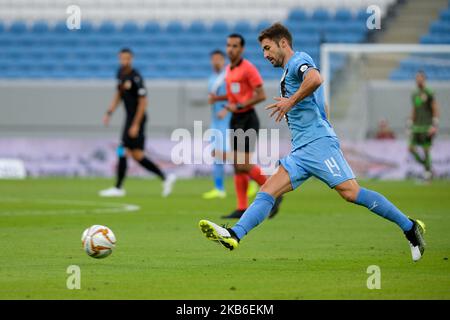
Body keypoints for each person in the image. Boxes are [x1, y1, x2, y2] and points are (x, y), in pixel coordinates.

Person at [198, 23, 426, 262]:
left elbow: (316, 78)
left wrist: (291, 102)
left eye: (267, 48)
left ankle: (410, 228)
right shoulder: (288, 72)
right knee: (268, 191)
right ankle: (234, 234)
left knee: (351, 193)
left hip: (318, 145)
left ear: (282, 43)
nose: (265, 55)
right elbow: (321, 102)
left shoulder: (299, 60)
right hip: (301, 150)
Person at [220, 33, 282, 219]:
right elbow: (235, 96)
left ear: (242, 49)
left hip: (247, 118)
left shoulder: (248, 68)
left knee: (243, 163)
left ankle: (275, 190)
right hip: (235, 118)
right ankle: (241, 207)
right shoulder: (229, 69)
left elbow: (261, 95)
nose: (231, 49)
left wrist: (239, 105)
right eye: (229, 45)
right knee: (237, 165)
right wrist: (224, 103)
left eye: (235, 46)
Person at [99, 48, 176, 197]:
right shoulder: (120, 74)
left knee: (122, 150)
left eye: (128, 58)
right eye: (122, 58)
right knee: (137, 155)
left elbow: (143, 102)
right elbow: (118, 95)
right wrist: (109, 113)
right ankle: (166, 177)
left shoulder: (136, 77)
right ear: (119, 58)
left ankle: (118, 188)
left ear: (132, 59)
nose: (125, 61)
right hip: (129, 119)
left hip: (137, 119)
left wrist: (135, 124)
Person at [202, 50, 231, 199]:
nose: (216, 61)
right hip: (216, 121)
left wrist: (226, 110)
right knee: (217, 154)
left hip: (227, 120)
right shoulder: (212, 77)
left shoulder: (228, 76)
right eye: (213, 59)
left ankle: (252, 181)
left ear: (224, 60)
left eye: (219, 59)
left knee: (231, 155)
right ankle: (219, 188)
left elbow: (235, 95)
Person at [408, 70, 439, 181]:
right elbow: (414, 109)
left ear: (424, 79)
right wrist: (410, 123)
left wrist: (434, 124)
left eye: (420, 78)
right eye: (417, 78)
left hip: (427, 126)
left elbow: (435, 107)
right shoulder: (415, 93)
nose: (418, 80)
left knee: (426, 150)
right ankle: (428, 167)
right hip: (417, 126)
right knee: (411, 149)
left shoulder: (429, 92)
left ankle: (427, 174)